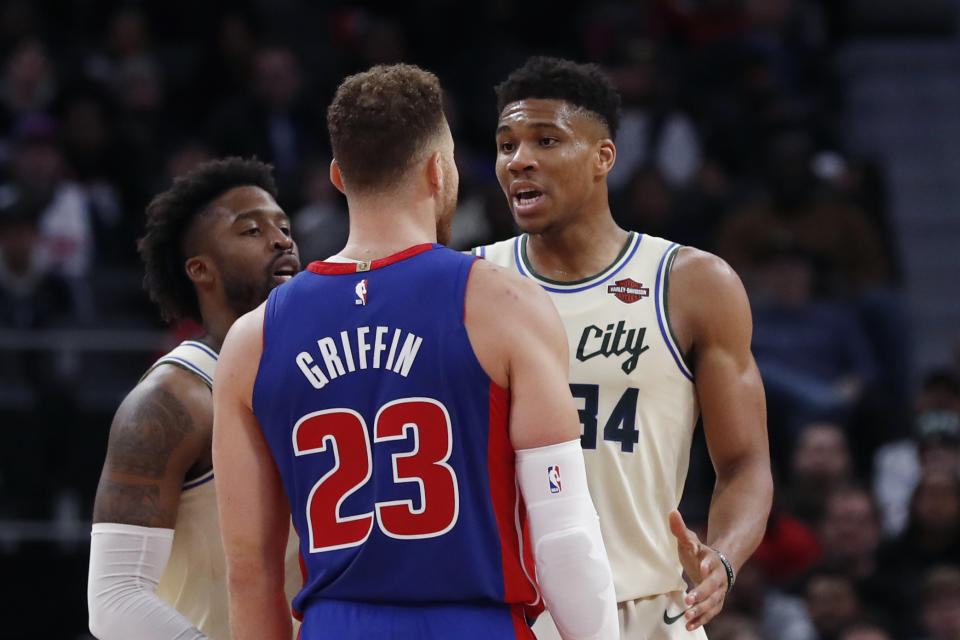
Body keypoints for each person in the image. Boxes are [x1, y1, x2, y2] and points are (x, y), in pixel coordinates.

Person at [212, 64, 618, 640]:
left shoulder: (252, 340)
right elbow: (565, 536)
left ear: (338, 176)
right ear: (438, 169)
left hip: (335, 623)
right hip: (470, 621)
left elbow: (249, 575)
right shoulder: (503, 303)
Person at [474, 56, 773, 638]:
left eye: (545, 139)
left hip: (648, 606)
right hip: (511, 614)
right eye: (506, 144)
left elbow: (745, 463)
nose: (519, 160)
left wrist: (725, 559)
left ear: (603, 158)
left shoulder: (690, 283)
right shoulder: (468, 284)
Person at [87, 157, 303, 640]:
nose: (281, 240)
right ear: (201, 270)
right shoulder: (172, 400)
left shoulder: (318, 376)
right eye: (251, 231)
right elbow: (114, 599)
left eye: (284, 226)